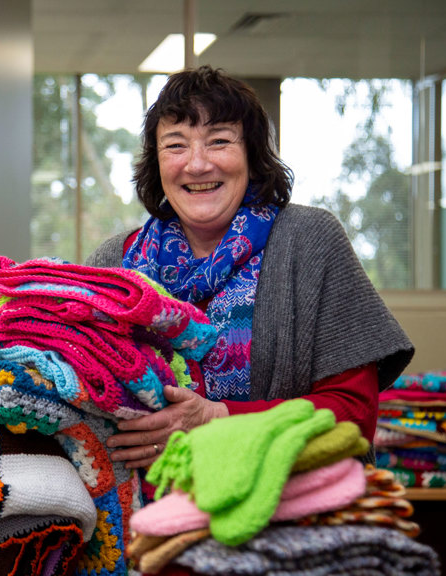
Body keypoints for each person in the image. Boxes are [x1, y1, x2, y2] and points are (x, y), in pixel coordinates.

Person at [86, 65, 414, 470]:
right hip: (143, 504)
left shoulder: (310, 242)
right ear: (156, 161)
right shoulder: (113, 264)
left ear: (252, 156)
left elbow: (353, 414)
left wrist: (216, 420)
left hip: (285, 501)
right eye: (175, 145)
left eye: (219, 141)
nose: (197, 164)